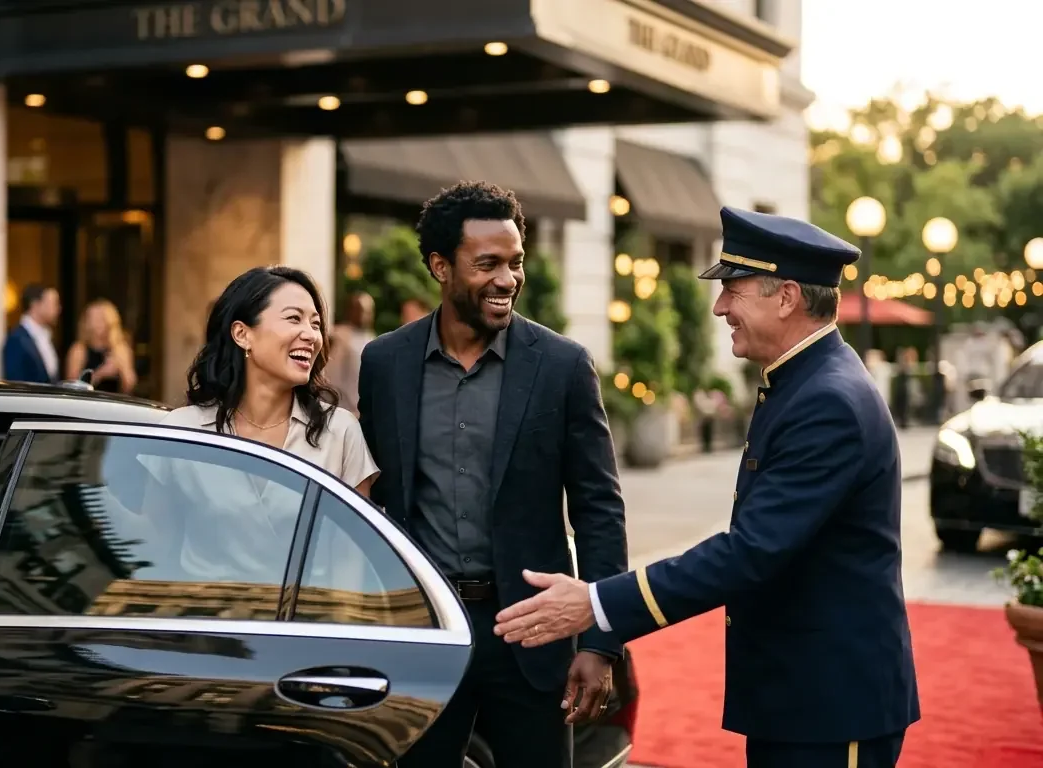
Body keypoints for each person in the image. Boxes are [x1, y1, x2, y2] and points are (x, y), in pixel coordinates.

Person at [493, 206, 919, 768]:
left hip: (829, 703)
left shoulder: (826, 401)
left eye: (734, 291)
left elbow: (751, 551)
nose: (719, 308)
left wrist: (596, 603)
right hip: (803, 695)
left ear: (786, 296)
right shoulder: (805, 381)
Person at [356, 181, 627, 768]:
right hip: (425, 632)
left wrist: (602, 642)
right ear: (440, 266)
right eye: (487, 264)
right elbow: (371, 505)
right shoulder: (384, 364)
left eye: (515, 262)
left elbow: (599, 508)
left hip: (531, 633)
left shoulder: (562, 366)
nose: (507, 279)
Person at [138, 266, 379, 585]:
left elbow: (350, 565)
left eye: (316, 324)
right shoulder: (182, 431)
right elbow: (152, 552)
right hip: (206, 626)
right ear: (242, 334)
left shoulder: (340, 431)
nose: (311, 335)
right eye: (294, 318)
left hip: (307, 627)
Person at [66, 299, 137, 394]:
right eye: (93, 319)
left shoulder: (120, 349)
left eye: (101, 319)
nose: (97, 324)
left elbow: (129, 386)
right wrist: (100, 373)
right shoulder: (79, 349)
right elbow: (72, 386)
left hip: (114, 403)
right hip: (87, 403)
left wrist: (121, 368)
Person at [326, 291, 376, 414]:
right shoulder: (337, 336)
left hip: (363, 409)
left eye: (368, 311)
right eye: (361, 310)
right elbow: (332, 376)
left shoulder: (372, 338)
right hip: (340, 407)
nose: (364, 316)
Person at [2, 284, 61, 384]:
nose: (59, 308)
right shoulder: (16, 339)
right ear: (35, 305)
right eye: (54, 303)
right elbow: (15, 384)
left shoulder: (46, 335)